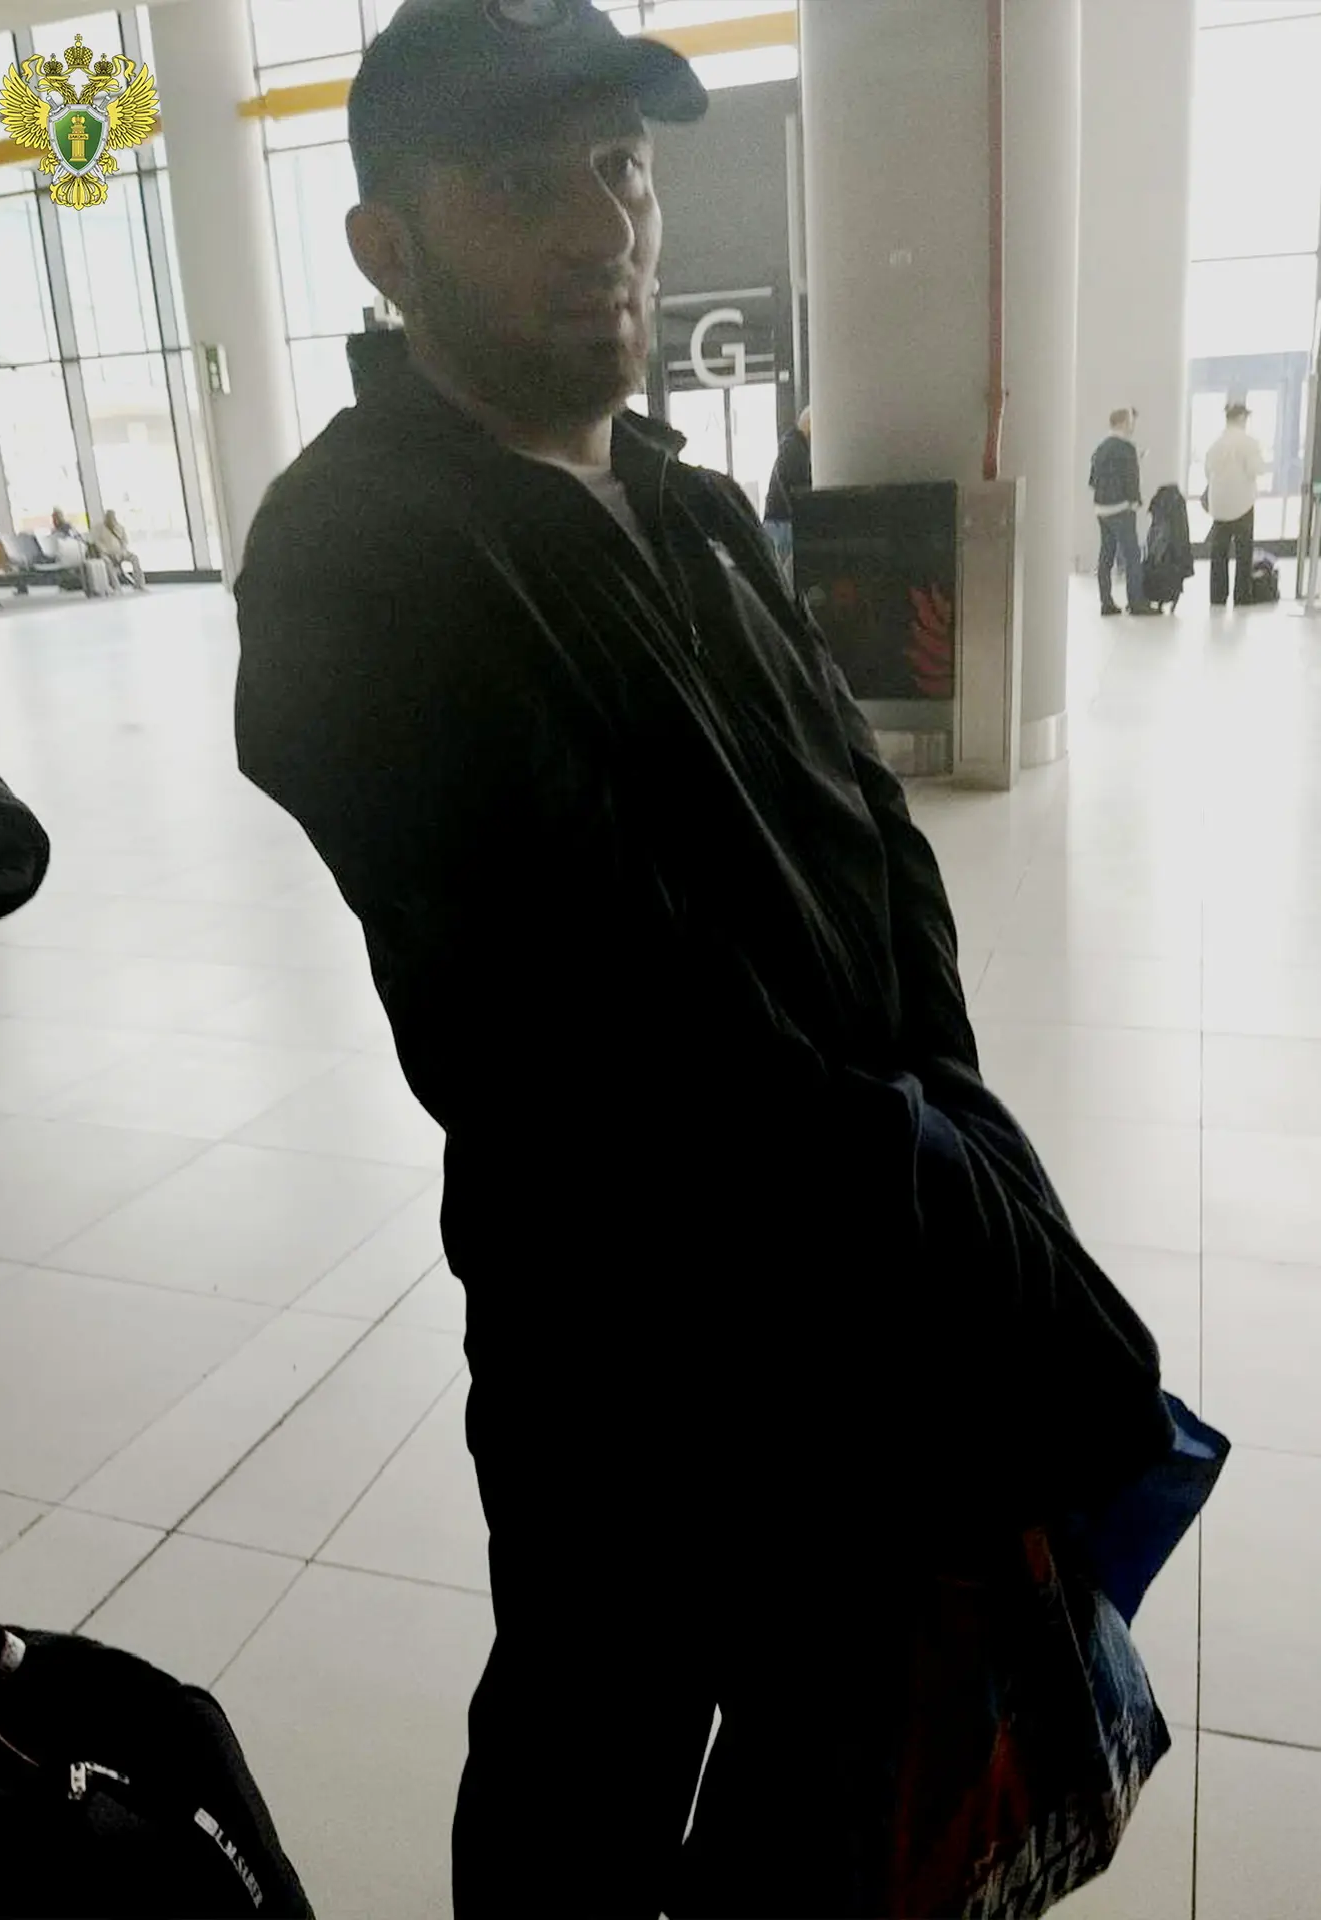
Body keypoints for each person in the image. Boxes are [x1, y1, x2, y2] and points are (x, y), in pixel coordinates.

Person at [235, 3, 1173, 1912]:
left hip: (848, 1277)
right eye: (523, 186)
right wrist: (930, 1196)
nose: (604, 226)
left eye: (622, 168)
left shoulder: (698, 505)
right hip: (622, 1330)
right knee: (589, 1753)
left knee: (837, 1736)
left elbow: (875, 838)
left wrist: (947, 1121)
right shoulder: (355, 556)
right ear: (386, 247)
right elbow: (596, 1007)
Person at [1089, 408, 1156, 616]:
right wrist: (1135, 501)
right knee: (1132, 555)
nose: (1132, 426)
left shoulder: (1100, 448)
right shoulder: (1127, 447)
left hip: (1101, 508)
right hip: (1120, 508)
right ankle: (1136, 602)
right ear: (1123, 423)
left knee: (1106, 556)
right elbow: (1130, 478)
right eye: (1130, 422)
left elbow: (1092, 481)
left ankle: (1106, 602)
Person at [1204, 401, 1264, 608]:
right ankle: (1242, 595)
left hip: (1219, 504)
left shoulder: (1216, 444)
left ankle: (1217, 596)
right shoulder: (1249, 442)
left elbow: (1207, 471)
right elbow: (1255, 469)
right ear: (1241, 418)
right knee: (1243, 551)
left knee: (1218, 552)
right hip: (1243, 503)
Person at [763, 404, 812, 574]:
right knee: (787, 576)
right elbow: (794, 485)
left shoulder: (791, 444)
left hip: (779, 521)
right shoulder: (794, 447)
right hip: (783, 522)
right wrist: (800, 515)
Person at [95, 509, 147, 591]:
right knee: (108, 563)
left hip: (120, 552)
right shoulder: (99, 529)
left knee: (135, 558)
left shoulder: (120, 527)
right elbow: (98, 542)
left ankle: (139, 583)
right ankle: (116, 586)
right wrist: (107, 552)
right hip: (106, 554)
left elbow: (125, 541)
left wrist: (123, 551)